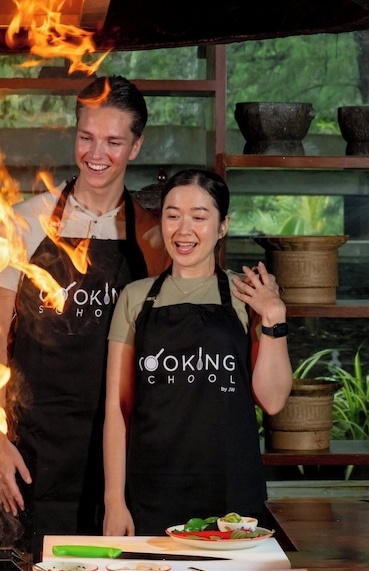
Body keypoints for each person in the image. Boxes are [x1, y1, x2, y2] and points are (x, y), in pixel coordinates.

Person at [0, 75, 171, 557]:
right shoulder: (23, 222)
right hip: (36, 450)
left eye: (113, 141)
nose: (97, 153)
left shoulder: (153, 236)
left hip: (126, 455)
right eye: (87, 137)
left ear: (136, 146)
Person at [103, 168, 292, 536]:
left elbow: (272, 400)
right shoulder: (136, 297)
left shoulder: (249, 295)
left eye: (199, 217)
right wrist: (114, 501)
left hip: (231, 494)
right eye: (172, 215)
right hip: (150, 491)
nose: (183, 230)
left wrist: (275, 314)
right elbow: (117, 407)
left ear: (223, 226)